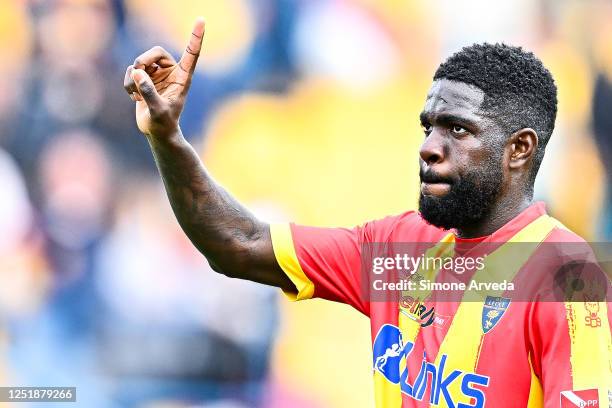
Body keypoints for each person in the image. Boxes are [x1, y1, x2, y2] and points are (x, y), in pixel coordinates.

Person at [123, 18, 611, 407]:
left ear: (519, 149)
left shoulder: (569, 281)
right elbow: (238, 244)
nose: (430, 148)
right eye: (429, 128)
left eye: (457, 131)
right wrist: (167, 140)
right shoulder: (397, 248)